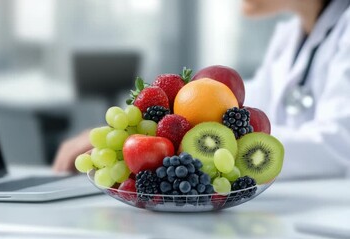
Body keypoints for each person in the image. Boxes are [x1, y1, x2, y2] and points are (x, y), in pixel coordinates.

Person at [53, 0, 350, 180]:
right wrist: (138, 143)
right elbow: (237, 110)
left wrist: (190, 149)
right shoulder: (289, 38)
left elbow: (339, 143)